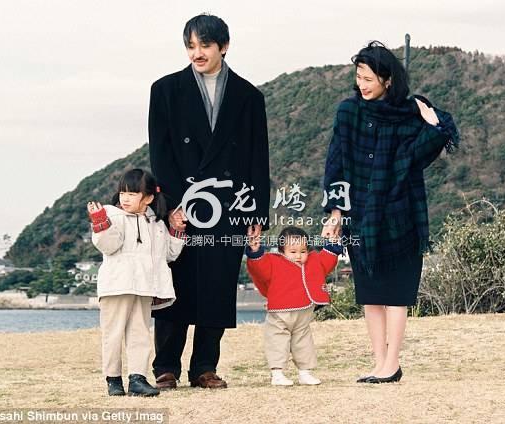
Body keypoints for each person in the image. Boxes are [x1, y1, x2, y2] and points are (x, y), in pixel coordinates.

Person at [321, 41, 459, 384]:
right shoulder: (348, 112)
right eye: (359, 77)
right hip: (361, 214)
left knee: (397, 294)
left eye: (369, 78)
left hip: (401, 213)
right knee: (369, 293)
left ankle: (392, 363)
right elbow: (335, 162)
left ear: (387, 79)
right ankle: (380, 362)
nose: (363, 84)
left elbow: (419, 156)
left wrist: (433, 126)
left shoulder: (410, 112)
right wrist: (335, 211)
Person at [148, 13, 270, 389]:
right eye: (190, 46)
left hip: (230, 206)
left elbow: (257, 157)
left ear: (224, 46)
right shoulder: (165, 89)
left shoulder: (249, 96)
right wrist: (170, 206)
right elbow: (161, 154)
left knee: (217, 286)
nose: (196, 53)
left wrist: (257, 212)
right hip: (182, 204)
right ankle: (165, 367)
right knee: (175, 286)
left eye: (204, 45)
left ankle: (204, 367)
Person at [88, 168, 186, 396]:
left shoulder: (157, 223)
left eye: (132, 193)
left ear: (149, 197)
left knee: (140, 333)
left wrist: (177, 230)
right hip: (117, 286)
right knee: (113, 334)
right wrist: (100, 222)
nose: (125, 198)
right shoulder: (112, 216)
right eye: (123, 192)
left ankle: (137, 379)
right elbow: (108, 245)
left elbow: (169, 255)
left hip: (144, 287)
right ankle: (113, 381)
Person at [245, 227, 342, 386]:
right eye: (293, 251)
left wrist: (332, 243)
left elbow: (327, 259)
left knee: (304, 341)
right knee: (277, 341)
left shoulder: (314, 259)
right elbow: (258, 268)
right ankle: (277, 374)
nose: (299, 256)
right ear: (282, 250)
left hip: (304, 311)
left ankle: (305, 372)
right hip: (279, 313)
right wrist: (255, 250)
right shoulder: (272, 260)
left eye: (303, 251)